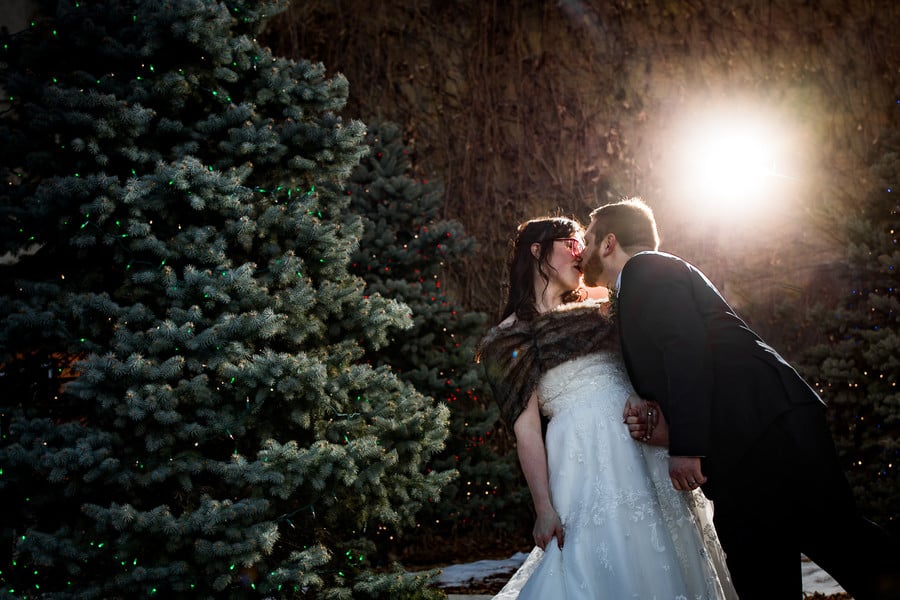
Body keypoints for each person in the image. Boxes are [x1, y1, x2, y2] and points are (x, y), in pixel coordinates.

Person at [581, 197, 900, 600]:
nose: (582, 250)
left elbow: (684, 348)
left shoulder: (646, 268)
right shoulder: (646, 280)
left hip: (763, 429)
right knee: (793, 553)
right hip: (754, 430)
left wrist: (687, 445)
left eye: (588, 239)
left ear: (609, 243)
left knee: (828, 546)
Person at [477, 216, 736, 599]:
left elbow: (655, 362)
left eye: (585, 243)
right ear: (537, 250)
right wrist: (543, 507)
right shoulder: (509, 336)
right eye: (571, 243)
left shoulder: (607, 302)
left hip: (645, 447)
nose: (581, 253)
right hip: (583, 461)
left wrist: (649, 400)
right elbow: (527, 429)